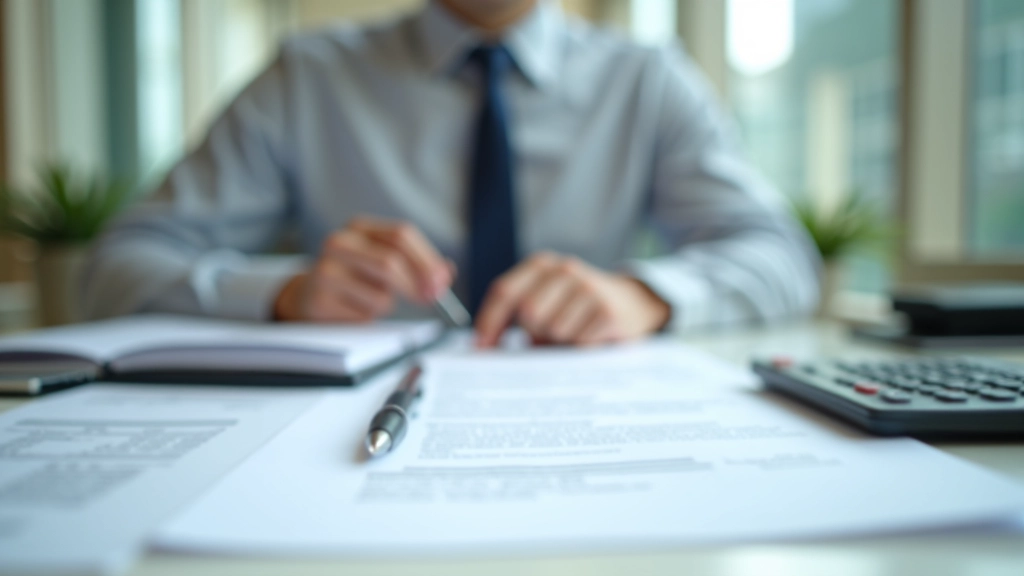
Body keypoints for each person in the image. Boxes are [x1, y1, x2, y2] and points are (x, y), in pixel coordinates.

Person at [83, 0, 820, 348]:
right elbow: (114, 270)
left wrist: (645, 295)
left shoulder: (649, 81)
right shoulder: (306, 77)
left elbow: (782, 257)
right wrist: (284, 292)